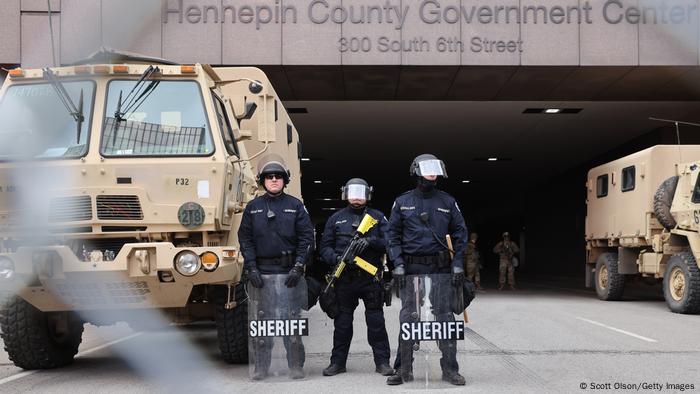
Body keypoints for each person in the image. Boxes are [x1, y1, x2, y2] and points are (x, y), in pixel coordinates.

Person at [386, 154, 467, 386]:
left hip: (440, 268)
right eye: (427, 168)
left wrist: (458, 261)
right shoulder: (402, 202)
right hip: (411, 268)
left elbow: (461, 233)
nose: (432, 173)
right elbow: (392, 235)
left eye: (435, 169)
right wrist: (398, 263)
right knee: (409, 319)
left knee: (444, 318)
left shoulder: (447, 202)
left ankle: (450, 369)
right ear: (416, 171)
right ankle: (403, 369)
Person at [237, 154, 314, 380]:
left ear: (284, 180)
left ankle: (295, 366)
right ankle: (261, 367)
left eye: (278, 177)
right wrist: (251, 268)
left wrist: (299, 266)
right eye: (269, 177)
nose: (273, 180)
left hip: (290, 273)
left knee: (291, 322)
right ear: (262, 180)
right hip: (262, 275)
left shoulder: (295, 206)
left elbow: (306, 238)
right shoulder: (253, 208)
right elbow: (246, 240)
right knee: (263, 324)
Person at [319, 178, 393, 377]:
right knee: (342, 324)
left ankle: (382, 362)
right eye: (353, 193)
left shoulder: (377, 217)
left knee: (376, 322)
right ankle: (338, 362)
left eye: (361, 193)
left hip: (370, 278)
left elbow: (390, 241)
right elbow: (324, 247)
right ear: (345, 194)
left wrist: (371, 241)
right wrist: (336, 259)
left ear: (368, 195)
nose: (357, 197)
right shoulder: (336, 218)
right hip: (345, 279)